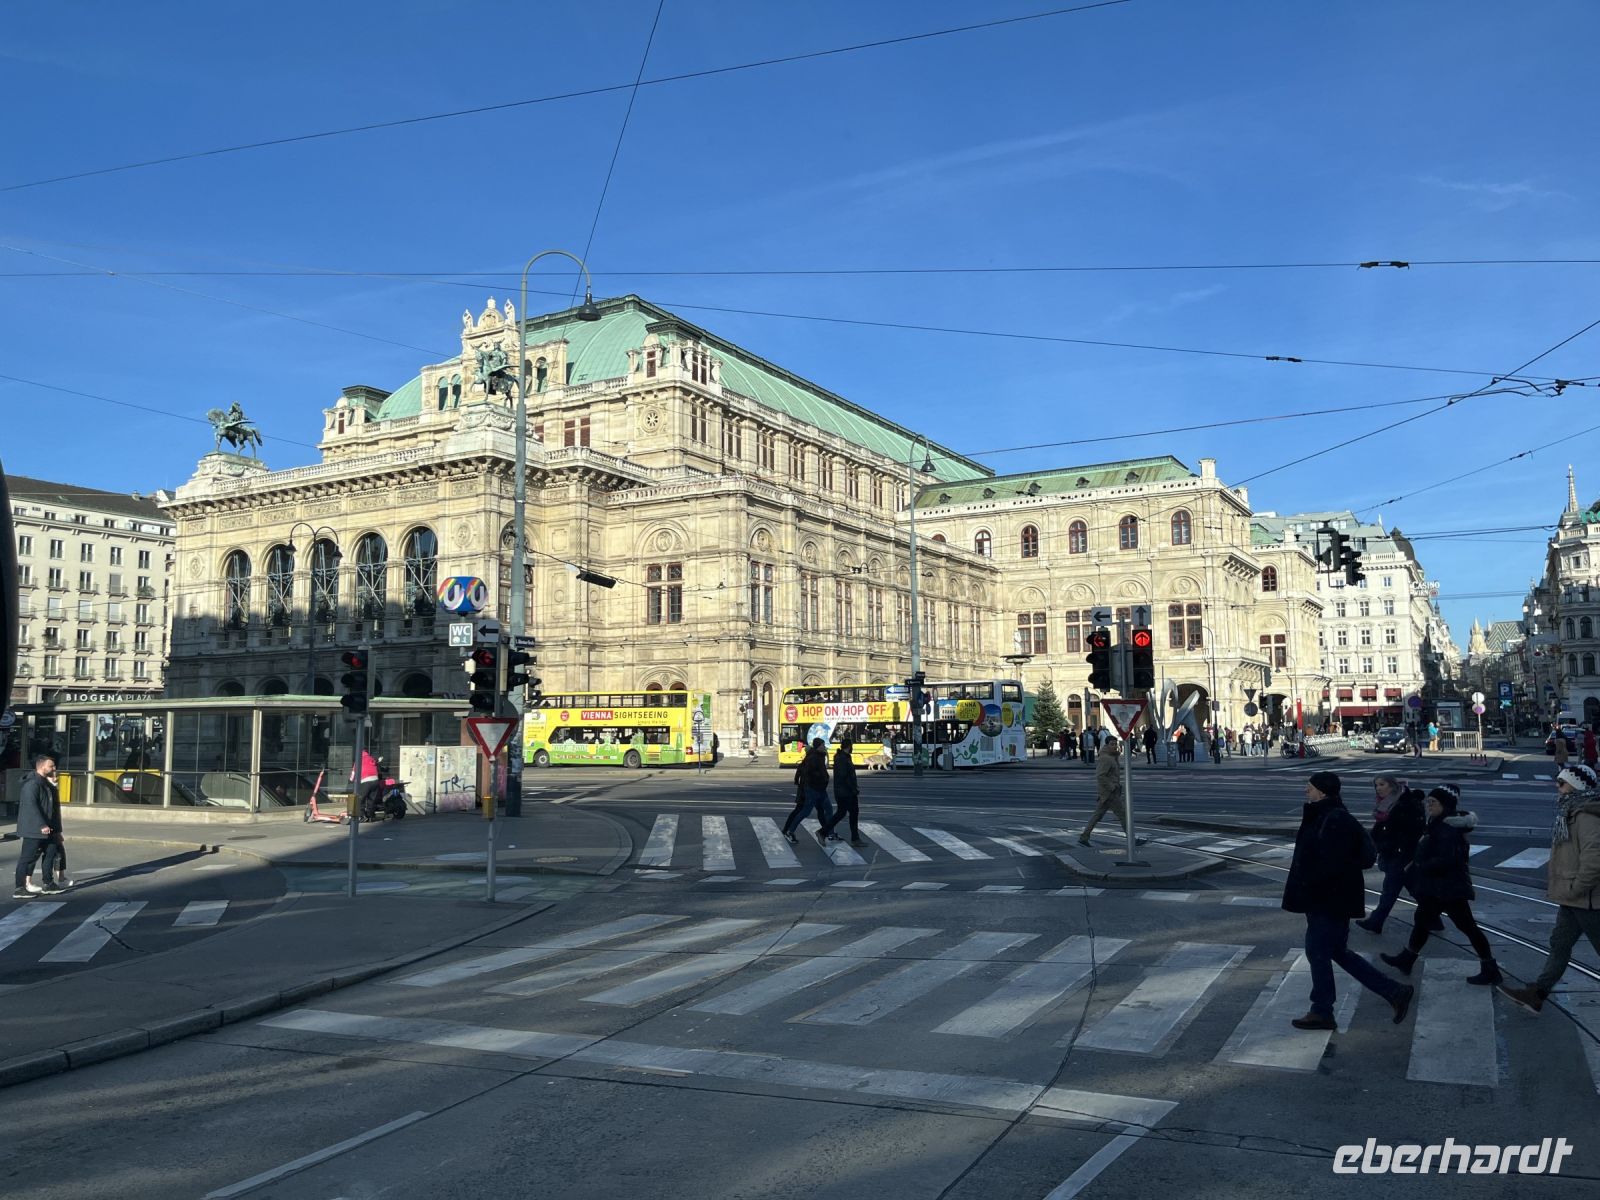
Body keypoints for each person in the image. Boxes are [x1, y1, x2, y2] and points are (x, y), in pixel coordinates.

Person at [1281, 771, 1415, 1030]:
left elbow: (1360, 857)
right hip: (1326, 898)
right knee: (1334, 951)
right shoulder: (1325, 814)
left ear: (1322, 791)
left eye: (1309, 787)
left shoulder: (1335, 819)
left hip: (1328, 899)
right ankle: (1394, 991)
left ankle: (1322, 1011)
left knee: (1317, 951)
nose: (1306, 790)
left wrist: (1321, 881)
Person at [1501, 764, 1600, 1013]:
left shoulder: (1586, 817)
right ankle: (1537, 994)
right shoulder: (1571, 813)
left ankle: (1537, 993)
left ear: (1576, 787)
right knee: (1559, 944)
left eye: (1562, 783)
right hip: (1573, 898)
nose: (1557, 787)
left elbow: (1594, 859)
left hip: (1588, 899)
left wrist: (1577, 887)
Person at [1378, 784, 1501, 985]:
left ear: (1446, 804)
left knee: (1466, 926)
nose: (1429, 806)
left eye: (1433, 802)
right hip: (1439, 886)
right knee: (1423, 920)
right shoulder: (1439, 823)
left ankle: (1490, 968)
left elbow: (1448, 859)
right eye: (1428, 802)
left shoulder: (1448, 829)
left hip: (1448, 888)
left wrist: (1421, 865)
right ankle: (1407, 959)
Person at [1356, 775, 1434, 935]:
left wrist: (1395, 846)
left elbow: (1413, 829)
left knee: (1390, 890)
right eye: (1376, 785)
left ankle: (1376, 921)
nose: (1378, 788)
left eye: (1382, 784)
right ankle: (1434, 918)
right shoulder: (1387, 803)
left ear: (1392, 786)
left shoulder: (1407, 803)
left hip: (1402, 853)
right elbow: (1382, 828)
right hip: (1394, 852)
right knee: (1413, 888)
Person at [14, 754, 65, 898]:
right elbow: (30, 805)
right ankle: (19, 888)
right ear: (42, 767)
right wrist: (41, 824)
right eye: (51, 766)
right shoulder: (32, 784)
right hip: (34, 829)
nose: (54, 768)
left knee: (50, 853)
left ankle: (48, 883)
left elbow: (53, 808)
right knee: (27, 858)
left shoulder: (45, 783)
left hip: (49, 828)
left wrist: (57, 830)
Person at [782, 738, 832, 844]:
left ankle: (828, 832)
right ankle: (789, 831)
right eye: (823, 745)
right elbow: (809, 773)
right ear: (818, 746)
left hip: (819, 788)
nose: (825, 747)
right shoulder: (813, 758)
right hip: (813, 789)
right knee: (805, 811)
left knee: (827, 810)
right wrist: (822, 779)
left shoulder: (819, 756)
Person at [818, 738, 865, 847]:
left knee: (846, 813)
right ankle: (823, 832)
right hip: (846, 792)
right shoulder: (843, 758)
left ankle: (854, 838)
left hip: (844, 791)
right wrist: (853, 788)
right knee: (848, 813)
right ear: (849, 746)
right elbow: (844, 776)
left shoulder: (843, 757)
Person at [1078, 737, 1123, 846]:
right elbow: (1100, 776)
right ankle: (1132, 839)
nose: (1115, 746)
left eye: (1115, 744)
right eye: (1112, 744)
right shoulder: (1106, 758)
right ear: (1106, 745)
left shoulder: (1112, 757)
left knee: (1097, 815)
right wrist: (1112, 787)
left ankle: (1084, 837)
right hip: (1110, 793)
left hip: (1107, 793)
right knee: (1124, 815)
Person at [352, 747, 381, 821]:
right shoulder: (371, 758)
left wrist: (351, 780)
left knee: (360, 799)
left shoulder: (358, 760)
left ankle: (362, 816)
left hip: (366, 781)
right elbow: (377, 768)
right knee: (371, 799)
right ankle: (370, 816)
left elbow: (354, 772)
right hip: (375, 780)